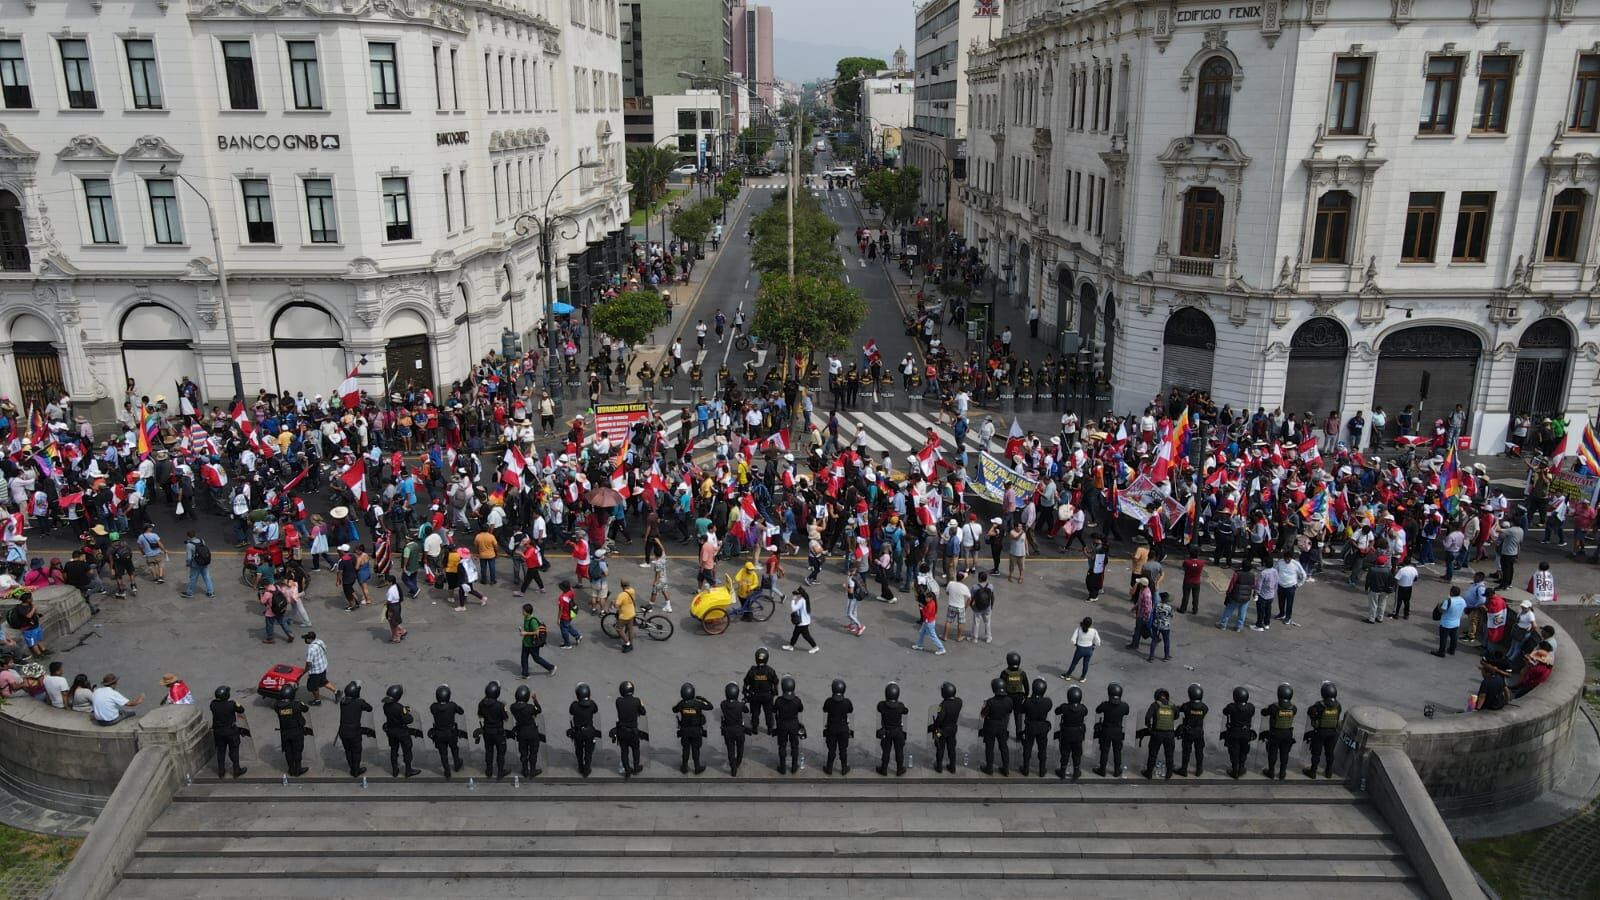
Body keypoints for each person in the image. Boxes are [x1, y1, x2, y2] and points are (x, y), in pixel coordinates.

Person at [381, 684, 422, 778]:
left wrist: (403, 711)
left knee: (394, 750)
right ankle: (408, 770)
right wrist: (407, 713)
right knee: (407, 750)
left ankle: (395, 770)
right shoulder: (400, 707)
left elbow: (394, 712)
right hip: (401, 732)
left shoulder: (385, 706)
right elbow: (408, 720)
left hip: (391, 731)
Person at [1302, 682, 1342, 778]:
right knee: (1330, 753)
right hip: (1333, 733)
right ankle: (1328, 772)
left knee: (1316, 753)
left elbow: (1310, 712)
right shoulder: (1338, 706)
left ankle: (1313, 771)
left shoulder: (1319, 705)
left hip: (1320, 733)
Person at [1259, 683, 1297, 780]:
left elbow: (1263, 712)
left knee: (1273, 752)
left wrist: (1267, 708)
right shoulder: (1293, 708)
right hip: (1288, 734)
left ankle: (1271, 772)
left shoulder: (1274, 707)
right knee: (1284, 753)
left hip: (1275, 734)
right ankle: (1282, 773)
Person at [335, 681, 373, 777]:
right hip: (354, 732)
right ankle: (356, 771)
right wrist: (360, 700)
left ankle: (352, 768)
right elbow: (369, 708)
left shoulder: (342, 702)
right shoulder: (359, 702)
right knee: (356, 751)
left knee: (348, 750)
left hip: (343, 731)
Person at [1139, 687, 1178, 779]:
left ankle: (1149, 773)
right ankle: (1169, 773)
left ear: (1156, 696)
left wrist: (1149, 727)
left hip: (1157, 733)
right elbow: (1177, 715)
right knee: (1169, 754)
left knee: (1153, 754)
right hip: (1170, 734)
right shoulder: (1172, 705)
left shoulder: (1155, 705)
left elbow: (1148, 717)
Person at [209, 685, 247, 778]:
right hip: (231, 732)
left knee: (221, 752)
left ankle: (221, 772)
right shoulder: (231, 704)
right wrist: (236, 703)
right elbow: (241, 710)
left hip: (218, 732)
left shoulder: (213, 704)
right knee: (234, 751)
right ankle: (236, 770)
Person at [1053, 685, 1089, 780]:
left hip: (1066, 734)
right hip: (1078, 734)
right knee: (1077, 753)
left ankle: (1063, 771)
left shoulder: (1065, 707)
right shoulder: (1082, 708)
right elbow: (1086, 712)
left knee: (1065, 752)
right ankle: (1076, 771)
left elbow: (1057, 711)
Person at [428, 685, 466, 777]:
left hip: (439, 734)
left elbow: (434, 711)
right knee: (454, 748)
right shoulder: (452, 705)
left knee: (443, 753)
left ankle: (447, 771)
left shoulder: (433, 707)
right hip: (451, 733)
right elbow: (461, 711)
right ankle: (457, 764)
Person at [1093, 682, 1129, 777]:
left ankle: (1102, 770)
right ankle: (1117, 770)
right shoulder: (1124, 706)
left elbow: (1097, 710)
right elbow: (1127, 712)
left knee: (1104, 751)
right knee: (1117, 751)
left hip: (1106, 730)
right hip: (1118, 731)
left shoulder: (1105, 705)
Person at [979, 678, 1013, 776]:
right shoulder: (1009, 700)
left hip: (990, 727)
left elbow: (982, 714)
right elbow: (1009, 711)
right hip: (1003, 726)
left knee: (989, 748)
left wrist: (984, 705)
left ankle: (989, 768)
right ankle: (1006, 769)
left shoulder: (990, 702)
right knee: (1004, 747)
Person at [1019, 678, 1052, 777]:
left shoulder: (1027, 702)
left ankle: (1026, 769)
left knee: (1027, 748)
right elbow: (1049, 708)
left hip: (1030, 727)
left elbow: (1022, 710)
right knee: (1042, 749)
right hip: (1042, 727)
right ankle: (1042, 770)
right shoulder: (1047, 702)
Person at [612, 680, 646, 777]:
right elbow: (643, 712)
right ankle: (636, 767)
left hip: (622, 731)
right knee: (636, 750)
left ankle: (627, 770)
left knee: (624, 751)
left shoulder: (618, 701)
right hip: (633, 732)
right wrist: (641, 704)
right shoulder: (637, 701)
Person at [274, 684, 310, 775]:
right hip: (296, 732)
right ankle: (298, 770)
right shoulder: (296, 704)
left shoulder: (277, 706)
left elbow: (279, 704)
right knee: (297, 751)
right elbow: (306, 709)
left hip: (285, 732)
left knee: (288, 751)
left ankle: (291, 769)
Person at [476, 681, 509, 779]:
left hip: (487, 732)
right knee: (500, 752)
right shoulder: (500, 705)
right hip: (498, 733)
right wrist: (505, 710)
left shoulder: (482, 703)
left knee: (489, 751)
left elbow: (480, 715)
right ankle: (500, 772)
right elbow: (506, 718)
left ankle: (489, 771)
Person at [509, 684, 544, 777]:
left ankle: (525, 770)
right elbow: (539, 710)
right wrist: (535, 699)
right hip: (532, 732)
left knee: (523, 753)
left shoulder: (513, 707)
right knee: (533, 752)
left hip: (521, 732)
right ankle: (532, 770)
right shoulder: (530, 708)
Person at [821, 679, 853, 776]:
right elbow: (851, 710)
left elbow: (824, 709)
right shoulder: (847, 702)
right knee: (843, 749)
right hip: (843, 729)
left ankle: (829, 768)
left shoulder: (829, 701)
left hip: (831, 729)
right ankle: (844, 768)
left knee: (831, 750)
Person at [1175, 684, 1208, 777]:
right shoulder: (1204, 707)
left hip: (1188, 732)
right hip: (1199, 732)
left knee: (1186, 752)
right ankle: (1199, 770)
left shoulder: (1187, 706)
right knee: (1199, 752)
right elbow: (1205, 711)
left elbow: (1179, 709)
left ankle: (1184, 770)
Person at [772, 676, 804, 775]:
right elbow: (801, 709)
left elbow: (774, 710)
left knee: (782, 746)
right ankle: (794, 767)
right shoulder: (797, 700)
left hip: (782, 726)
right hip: (794, 725)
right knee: (794, 746)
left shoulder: (779, 700)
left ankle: (782, 768)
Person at [743, 647, 779, 735]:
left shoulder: (752, 671)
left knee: (755, 713)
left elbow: (746, 683)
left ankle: (755, 729)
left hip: (755, 696)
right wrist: (774, 693)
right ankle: (770, 729)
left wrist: (746, 693)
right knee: (769, 713)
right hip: (767, 696)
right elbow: (776, 682)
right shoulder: (770, 670)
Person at [876, 682, 908, 777]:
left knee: (886, 751)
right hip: (898, 732)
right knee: (899, 751)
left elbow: (878, 708)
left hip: (886, 731)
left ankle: (884, 769)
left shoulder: (882, 705)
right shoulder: (900, 706)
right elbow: (906, 711)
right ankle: (899, 769)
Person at [929, 682, 962, 775]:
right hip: (953, 729)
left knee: (940, 748)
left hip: (942, 731)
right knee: (952, 749)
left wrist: (934, 728)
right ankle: (952, 767)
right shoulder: (959, 702)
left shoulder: (942, 705)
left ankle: (939, 767)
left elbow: (939, 719)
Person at [519, 603, 556, 676]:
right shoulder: (526, 618)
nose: (522, 612)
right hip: (526, 642)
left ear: (527, 612)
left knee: (536, 659)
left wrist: (525, 633)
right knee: (524, 658)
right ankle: (525, 674)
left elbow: (537, 632)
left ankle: (551, 667)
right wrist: (523, 631)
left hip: (533, 644)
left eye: (523, 611)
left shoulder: (533, 621)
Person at [719, 683, 748, 776]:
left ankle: (733, 769)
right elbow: (746, 710)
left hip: (728, 731)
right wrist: (743, 702)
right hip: (739, 731)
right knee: (740, 748)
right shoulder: (740, 705)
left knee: (730, 750)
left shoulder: (723, 704)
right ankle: (738, 762)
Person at [1217, 562, 1255, 632]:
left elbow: (1231, 585)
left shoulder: (1237, 574)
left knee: (1228, 611)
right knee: (1242, 613)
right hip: (1246, 598)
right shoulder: (1252, 576)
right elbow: (1253, 586)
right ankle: (1238, 627)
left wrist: (1228, 594)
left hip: (1235, 596)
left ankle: (1223, 624)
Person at [1432, 586, 1467, 658]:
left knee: (1443, 638)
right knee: (1454, 637)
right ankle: (1452, 650)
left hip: (1446, 623)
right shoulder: (1462, 600)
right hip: (1456, 622)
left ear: (1451, 592)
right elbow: (1464, 608)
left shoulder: (1448, 601)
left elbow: (1442, 611)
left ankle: (1441, 652)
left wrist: (1438, 606)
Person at [1063, 617, 1100, 682]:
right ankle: (1082, 678)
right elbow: (1098, 642)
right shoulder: (1094, 631)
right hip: (1089, 650)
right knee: (1086, 664)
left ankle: (1068, 675)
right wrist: (1093, 646)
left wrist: (1076, 645)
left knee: (1074, 663)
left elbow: (1072, 640)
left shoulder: (1078, 629)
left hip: (1080, 649)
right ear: (1090, 624)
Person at [782, 587, 819, 653]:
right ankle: (791, 646)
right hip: (804, 621)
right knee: (795, 634)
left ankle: (815, 647)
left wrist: (793, 600)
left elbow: (794, 609)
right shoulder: (805, 598)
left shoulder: (802, 600)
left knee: (806, 636)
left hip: (803, 623)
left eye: (796, 594)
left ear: (800, 594)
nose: (795, 596)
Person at [303, 632, 333, 705]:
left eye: (306, 638)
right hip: (323, 666)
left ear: (310, 639)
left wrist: (305, 670)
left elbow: (309, 663)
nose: (305, 640)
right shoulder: (320, 641)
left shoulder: (311, 649)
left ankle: (317, 701)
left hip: (315, 671)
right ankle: (336, 691)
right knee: (323, 681)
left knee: (313, 687)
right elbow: (325, 648)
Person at [181, 530, 214, 599]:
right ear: (195, 535)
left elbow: (189, 557)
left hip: (195, 564)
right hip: (205, 562)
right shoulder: (202, 540)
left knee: (193, 578)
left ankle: (190, 593)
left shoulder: (189, 545)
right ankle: (210, 592)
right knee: (206, 576)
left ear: (188, 536)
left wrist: (188, 564)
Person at [1364, 556, 1396, 624]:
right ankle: (1380, 618)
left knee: (1373, 605)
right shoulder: (1388, 570)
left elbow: (1368, 580)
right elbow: (1391, 581)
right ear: (1385, 562)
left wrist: (1366, 588)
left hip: (1374, 590)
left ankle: (1371, 619)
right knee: (1382, 604)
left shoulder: (1372, 569)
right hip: (1384, 590)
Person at [1147, 592, 1175, 661]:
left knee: (1154, 640)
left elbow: (1153, 612)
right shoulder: (1169, 607)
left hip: (1156, 624)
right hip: (1165, 626)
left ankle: (1151, 656)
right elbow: (1171, 616)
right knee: (1166, 641)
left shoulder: (1156, 605)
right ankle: (1166, 656)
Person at [970, 571, 995, 643]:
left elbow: (972, 598)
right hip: (987, 607)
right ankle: (988, 638)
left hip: (977, 607)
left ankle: (975, 638)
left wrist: (972, 606)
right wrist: (991, 606)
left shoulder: (974, 587)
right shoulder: (990, 586)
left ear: (979, 579)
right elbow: (992, 597)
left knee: (976, 623)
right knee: (987, 622)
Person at [1178, 548, 1205, 615]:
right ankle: (1195, 610)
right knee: (1196, 597)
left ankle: (1183, 609)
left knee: (1186, 596)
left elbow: (1183, 568)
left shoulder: (1187, 562)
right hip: (1197, 582)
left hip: (1187, 581)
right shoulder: (1201, 563)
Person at [614, 578, 637, 653]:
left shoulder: (621, 595)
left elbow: (616, 606)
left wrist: (613, 602)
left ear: (621, 585)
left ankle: (628, 643)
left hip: (624, 615)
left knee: (618, 629)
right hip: (632, 613)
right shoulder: (632, 590)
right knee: (630, 628)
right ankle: (632, 644)